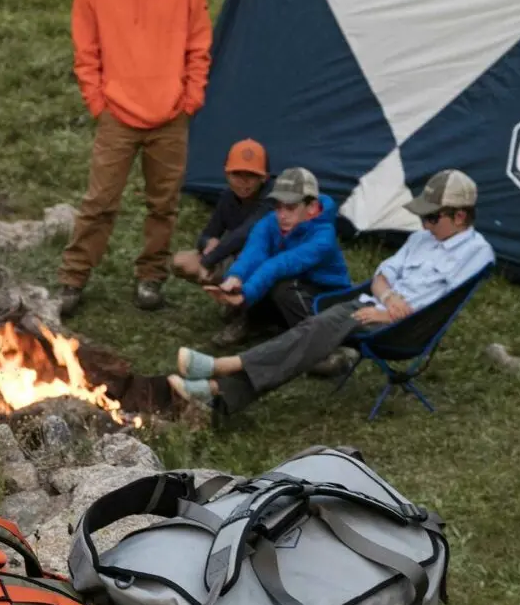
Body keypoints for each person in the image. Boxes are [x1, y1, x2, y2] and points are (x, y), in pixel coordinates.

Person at [167, 169, 495, 415]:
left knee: (312, 330)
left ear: (460, 216)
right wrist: (389, 298)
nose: (425, 224)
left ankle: (222, 368)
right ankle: (216, 391)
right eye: (423, 215)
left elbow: (437, 304)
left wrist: (386, 313)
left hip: (402, 326)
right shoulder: (423, 239)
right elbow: (383, 274)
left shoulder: (475, 253)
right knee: (307, 340)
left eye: (433, 217)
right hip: (374, 306)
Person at [58, 0, 213, 316]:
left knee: (163, 205)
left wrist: (191, 98)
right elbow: (85, 53)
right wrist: (98, 102)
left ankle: (151, 278)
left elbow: (198, 48)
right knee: (99, 201)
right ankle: (72, 280)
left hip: (171, 116)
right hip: (117, 115)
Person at [203, 167, 350, 347]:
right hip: (295, 288)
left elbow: (281, 264)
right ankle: (259, 324)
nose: (282, 215)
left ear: (311, 207)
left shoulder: (323, 236)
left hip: (327, 297)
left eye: (290, 208)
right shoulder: (270, 221)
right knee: (259, 271)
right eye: (278, 206)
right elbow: (254, 251)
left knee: (281, 284)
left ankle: (320, 342)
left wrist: (246, 294)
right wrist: (235, 277)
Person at [172, 138, 271, 285]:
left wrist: (207, 262)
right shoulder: (228, 197)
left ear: (264, 178)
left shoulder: (271, 198)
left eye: (251, 176)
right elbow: (208, 233)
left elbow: (245, 233)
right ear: (226, 174)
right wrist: (208, 242)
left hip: (261, 258)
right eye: (237, 175)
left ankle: (237, 296)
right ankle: (223, 287)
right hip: (231, 254)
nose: (243, 182)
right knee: (181, 261)